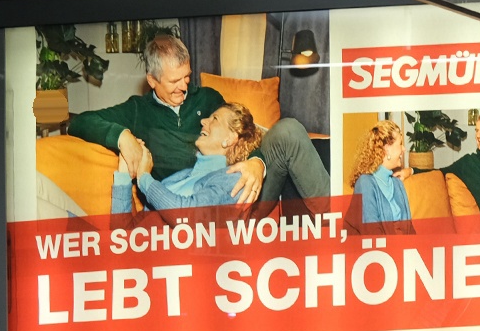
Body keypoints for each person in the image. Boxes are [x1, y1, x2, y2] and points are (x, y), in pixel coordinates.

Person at [71, 33, 326, 205]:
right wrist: (122, 136)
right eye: (174, 81)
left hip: (242, 194)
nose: (184, 86)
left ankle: (339, 222)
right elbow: (79, 121)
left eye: (187, 76)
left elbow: (240, 133)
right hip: (190, 203)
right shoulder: (138, 110)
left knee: (289, 131)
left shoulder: (207, 98)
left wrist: (257, 162)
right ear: (152, 80)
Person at [111, 102, 331, 214]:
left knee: (287, 130)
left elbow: (186, 215)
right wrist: (123, 174)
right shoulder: (180, 177)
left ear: (230, 138)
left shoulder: (231, 177)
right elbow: (122, 238)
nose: (202, 121)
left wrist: (144, 177)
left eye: (214, 119)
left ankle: (337, 220)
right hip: (141, 264)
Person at [349, 119, 413, 227]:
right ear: (387, 149)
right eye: (400, 144)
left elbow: (410, 229)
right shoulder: (365, 183)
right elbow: (371, 232)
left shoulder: (397, 183)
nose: (404, 149)